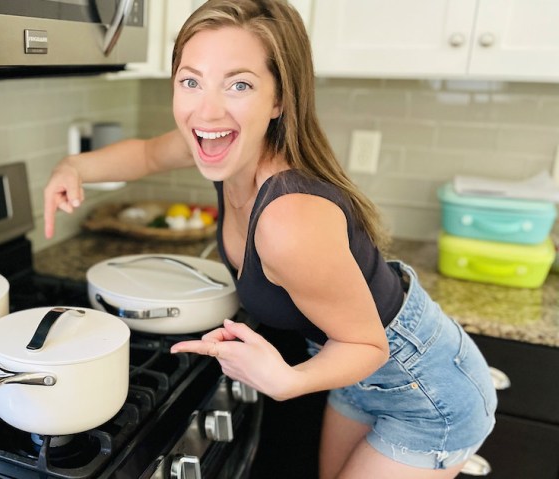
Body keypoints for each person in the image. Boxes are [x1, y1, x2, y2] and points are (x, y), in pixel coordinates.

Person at [43, 0, 496, 477]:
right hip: (352, 368)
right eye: (190, 81)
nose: (207, 108)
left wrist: (287, 380)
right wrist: (72, 167)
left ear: (278, 99)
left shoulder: (289, 220)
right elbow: (146, 155)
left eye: (240, 84)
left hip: (424, 386)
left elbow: (368, 345)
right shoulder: (219, 143)